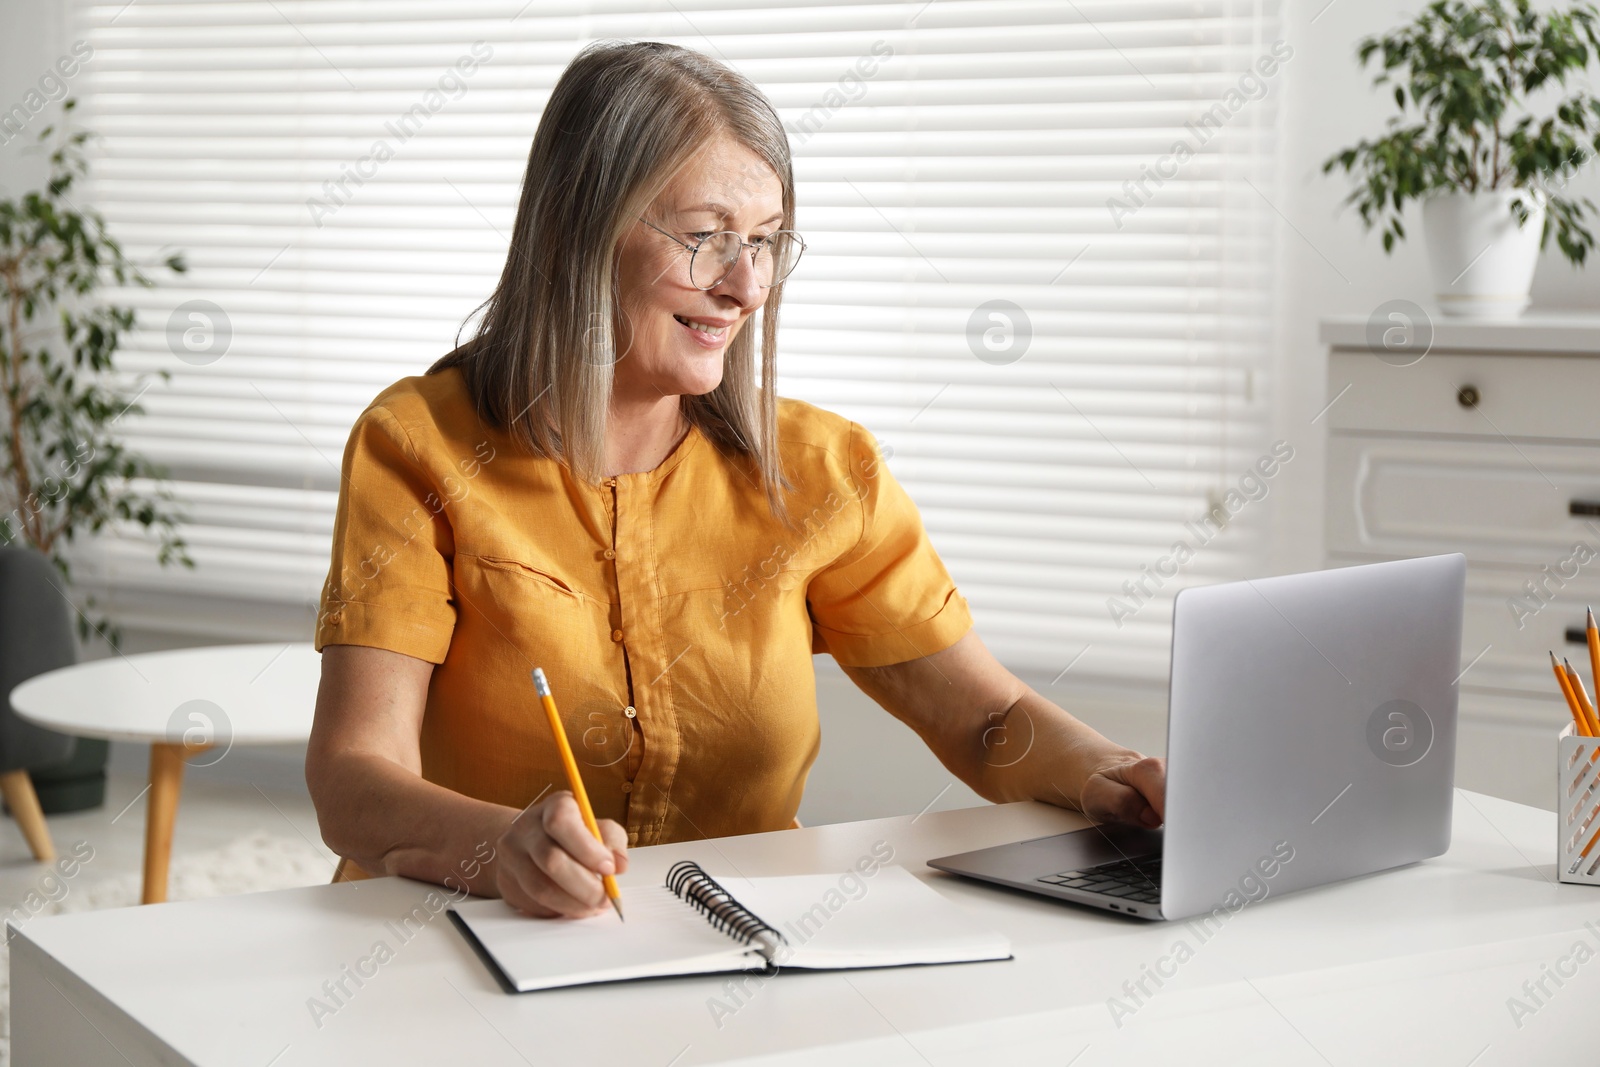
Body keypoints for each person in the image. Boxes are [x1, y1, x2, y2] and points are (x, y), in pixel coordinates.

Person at [305, 40, 1165, 920]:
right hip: (450, 941)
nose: (746, 285)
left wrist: (1114, 771)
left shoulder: (824, 469)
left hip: (732, 946)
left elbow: (985, 719)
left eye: (763, 243)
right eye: (706, 236)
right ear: (578, 227)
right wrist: (501, 849)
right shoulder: (417, 443)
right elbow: (352, 780)